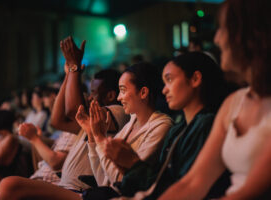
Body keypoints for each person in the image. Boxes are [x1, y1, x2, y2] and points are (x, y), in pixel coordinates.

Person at [159, 0, 271, 199]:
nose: (217, 39)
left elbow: (247, 193)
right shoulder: (234, 102)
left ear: (252, 34)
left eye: (224, 28)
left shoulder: (204, 121)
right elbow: (193, 181)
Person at [0, 36, 129, 200]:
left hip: (79, 191)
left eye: (94, 92)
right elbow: (57, 121)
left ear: (110, 95)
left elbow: (73, 110)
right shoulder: (90, 122)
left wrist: (75, 68)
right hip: (63, 187)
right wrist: (68, 74)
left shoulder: (117, 111)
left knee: (9, 185)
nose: (89, 97)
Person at [101, 52, 228, 200]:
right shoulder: (178, 129)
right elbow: (158, 180)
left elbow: (182, 185)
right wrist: (125, 164)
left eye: (169, 80)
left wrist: (132, 162)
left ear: (195, 79)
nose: (164, 90)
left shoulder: (205, 124)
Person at [84, 62, 173, 199]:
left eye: (123, 90)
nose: (119, 98)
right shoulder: (130, 123)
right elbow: (103, 180)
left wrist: (100, 139)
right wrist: (93, 135)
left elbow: (122, 183)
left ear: (143, 92)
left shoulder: (161, 126)